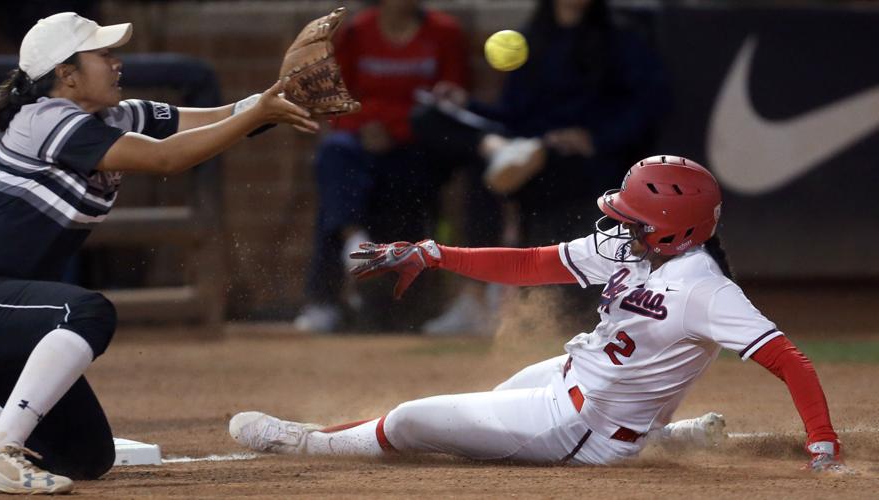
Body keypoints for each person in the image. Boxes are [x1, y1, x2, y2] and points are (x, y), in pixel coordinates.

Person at [0, 11, 318, 495]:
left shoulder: (112, 115)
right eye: (104, 54)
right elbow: (166, 157)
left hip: (6, 307)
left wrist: (273, 103)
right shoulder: (48, 120)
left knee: (84, 455)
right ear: (66, 74)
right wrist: (259, 113)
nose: (117, 62)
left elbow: (215, 120)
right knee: (85, 312)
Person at [229, 156, 847, 473]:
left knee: (415, 420)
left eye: (634, 219)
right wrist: (435, 253)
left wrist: (822, 440)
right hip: (575, 381)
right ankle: (667, 436)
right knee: (499, 395)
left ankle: (305, 443)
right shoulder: (631, 247)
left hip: (585, 433)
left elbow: (790, 361)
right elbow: (529, 264)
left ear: (671, 234)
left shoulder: (705, 289)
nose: (617, 224)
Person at [414, 0, 670, 334]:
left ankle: (505, 154)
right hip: (522, 147)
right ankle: (498, 151)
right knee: (430, 118)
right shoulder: (530, 39)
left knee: (492, 176)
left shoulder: (621, 40)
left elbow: (650, 106)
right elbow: (512, 114)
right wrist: (465, 105)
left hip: (574, 160)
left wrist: (594, 138)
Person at [294, 0, 468, 333]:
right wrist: (364, 127)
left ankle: (365, 282)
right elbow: (336, 100)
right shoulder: (357, 32)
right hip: (362, 142)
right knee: (335, 156)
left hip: (417, 148)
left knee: (372, 179)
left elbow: (449, 106)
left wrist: (395, 131)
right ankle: (348, 254)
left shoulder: (444, 32)